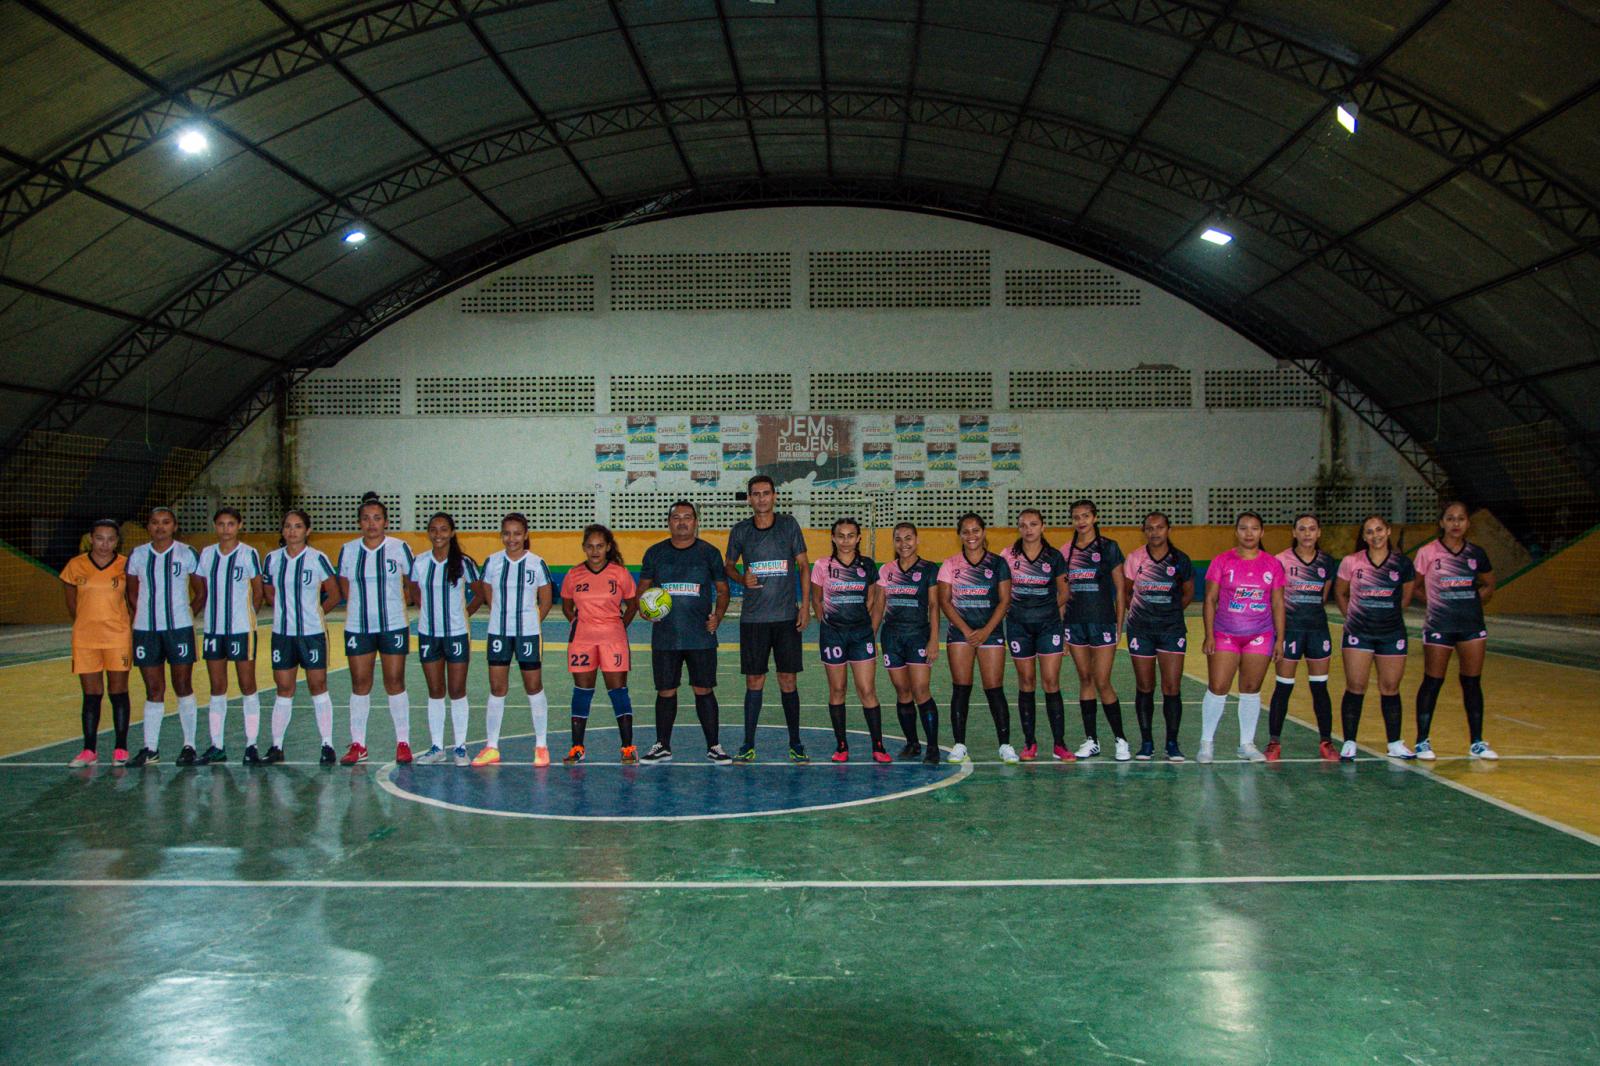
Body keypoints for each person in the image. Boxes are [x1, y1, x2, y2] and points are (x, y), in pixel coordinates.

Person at [724, 475, 811, 763]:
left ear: (775, 496)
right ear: (749, 498)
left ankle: (796, 743)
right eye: (756, 494)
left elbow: (802, 566)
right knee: (754, 680)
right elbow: (728, 565)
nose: (761, 498)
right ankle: (748, 743)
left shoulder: (788, 526)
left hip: (786, 618)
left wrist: (804, 605)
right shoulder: (740, 531)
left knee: (788, 680)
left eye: (766, 493)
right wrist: (740, 577)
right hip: (753, 620)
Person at [637, 501, 731, 764]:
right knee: (666, 691)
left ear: (695, 521)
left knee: (704, 689)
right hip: (666, 637)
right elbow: (642, 590)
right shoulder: (655, 553)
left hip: (700, 636)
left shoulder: (709, 553)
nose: (681, 522)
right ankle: (662, 745)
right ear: (669, 522)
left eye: (687, 517)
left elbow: (723, 591)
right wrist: (644, 609)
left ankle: (714, 745)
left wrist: (718, 617)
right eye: (676, 517)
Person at [1412, 502, 1498, 760]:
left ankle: (1477, 742)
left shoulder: (1476, 553)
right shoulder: (1428, 553)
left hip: (1471, 625)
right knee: (1433, 681)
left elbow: (1489, 584)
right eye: (1450, 518)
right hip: (1440, 624)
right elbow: (1414, 587)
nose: (1456, 523)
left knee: (1471, 682)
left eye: (1461, 518)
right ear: (1442, 523)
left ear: (1467, 523)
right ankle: (1422, 741)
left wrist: (1473, 601)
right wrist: (1435, 602)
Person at [1199, 512, 1286, 764]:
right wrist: (1209, 634)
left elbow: (1278, 602)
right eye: (1244, 528)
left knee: (1250, 689)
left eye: (1254, 528)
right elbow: (1210, 599)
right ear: (1235, 531)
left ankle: (1246, 744)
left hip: (1260, 635)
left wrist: (1280, 639)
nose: (1249, 533)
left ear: (1262, 532)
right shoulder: (1222, 561)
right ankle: (1206, 743)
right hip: (1225, 633)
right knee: (1218, 687)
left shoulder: (1272, 564)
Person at [336, 494, 415, 766]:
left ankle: (403, 742)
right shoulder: (348, 550)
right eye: (366, 519)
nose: (371, 524)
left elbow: (412, 582)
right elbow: (345, 586)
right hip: (358, 627)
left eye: (377, 518)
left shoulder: (399, 548)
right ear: (359, 522)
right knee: (360, 684)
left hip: (393, 624)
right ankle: (359, 744)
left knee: (395, 682)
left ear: (386, 522)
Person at [124, 507, 203, 767]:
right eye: (155, 522)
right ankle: (151, 748)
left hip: (179, 629)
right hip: (146, 631)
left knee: (183, 686)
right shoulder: (138, 555)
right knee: (153, 689)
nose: (160, 527)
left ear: (174, 526)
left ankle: (189, 745)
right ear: (148, 527)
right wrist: (146, 615)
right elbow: (132, 594)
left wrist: (186, 613)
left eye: (166, 522)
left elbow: (200, 591)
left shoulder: (187, 553)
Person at [259, 510, 340, 764]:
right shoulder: (272, 559)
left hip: (312, 635)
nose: (292, 531)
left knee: (318, 686)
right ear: (282, 531)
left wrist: (315, 616)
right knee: (284, 688)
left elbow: (335, 594)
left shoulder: (317, 559)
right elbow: (268, 591)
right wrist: (284, 612)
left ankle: (327, 744)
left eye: (297, 526)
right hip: (282, 635)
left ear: (307, 530)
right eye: (287, 526)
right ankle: (277, 746)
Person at [1335, 515, 1418, 762]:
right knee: (1355, 686)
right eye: (1369, 532)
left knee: (1390, 687)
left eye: (1379, 530)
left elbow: (1405, 598)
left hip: (1391, 633)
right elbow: (1340, 592)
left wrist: (1387, 616)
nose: (1375, 535)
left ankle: (1394, 742)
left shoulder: (1402, 564)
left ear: (1388, 531)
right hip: (1359, 632)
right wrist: (1352, 616)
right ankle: (1349, 741)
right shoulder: (1352, 562)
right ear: (1364, 537)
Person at [476, 513, 555, 767]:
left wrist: (532, 622)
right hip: (498, 632)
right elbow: (487, 592)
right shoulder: (492, 562)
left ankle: (541, 745)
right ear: (502, 535)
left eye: (517, 533)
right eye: (507, 533)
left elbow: (546, 599)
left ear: (526, 534)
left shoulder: (536, 563)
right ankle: (491, 746)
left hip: (528, 633)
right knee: (497, 689)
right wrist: (502, 616)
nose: (512, 539)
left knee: (533, 686)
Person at [937, 513, 1015, 764]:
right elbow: (944, 602)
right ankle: (959, 744)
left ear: (983, 532)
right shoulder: (951, 563)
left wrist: (985, 631)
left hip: (990, 632)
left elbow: (1004, 601)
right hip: (961, 633)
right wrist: (968, 630)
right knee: (961, 688)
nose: (971, 536)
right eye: (966, 531)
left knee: (994, 688)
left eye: (975, 530)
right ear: (959, 535)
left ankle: (1005, 744)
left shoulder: (998, 563)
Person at [560, 524, 639, 764]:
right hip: (582, 640)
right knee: (582, 692)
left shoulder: (620, 574)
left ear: (608, 548)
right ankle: (577, 748)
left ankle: (627, 748)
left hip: (613, 639)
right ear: (584, 548)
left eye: (600, 546)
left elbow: (633, 604)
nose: (595, 551)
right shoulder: (574, 575)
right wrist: (579, 623)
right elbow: (566, 605)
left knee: (618, 692)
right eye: (590, 546)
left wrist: (618, 626)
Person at [812, 518, 888, 762]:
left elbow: (876, 600)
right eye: (841, 535)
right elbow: (816, 599)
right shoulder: (822, 565)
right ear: (833, 538)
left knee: (867, 690)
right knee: (837, 689)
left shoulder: (867, 565)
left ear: (858, 538)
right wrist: (827, 623)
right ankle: (841, 746)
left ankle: (878, 745)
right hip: (833, 635)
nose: (846, 540)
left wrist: (871, 629)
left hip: (861, 635)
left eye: (850, 535)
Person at [409, 512, 481, 766]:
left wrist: (463, 615)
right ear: (429, 533)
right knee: (435, 691)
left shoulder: (464, 563)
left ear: (451, 532)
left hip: (457, 634)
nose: (438, 534)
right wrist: (425, 609)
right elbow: (413, 589)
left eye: (443, 529)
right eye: (433, 529)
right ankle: (437, 747)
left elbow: (481, 593)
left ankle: (460, 747)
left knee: (457, 690)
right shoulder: (419, 562)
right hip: (429, 634)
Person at [1122, 512, 1195, 761]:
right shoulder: (1135, 558)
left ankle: (1172, 743)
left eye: (1159, 527)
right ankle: (1146, 742)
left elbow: (1187, 594)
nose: (1155, 532)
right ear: (1144, 531)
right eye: (1150, 528)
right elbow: (1126, 592)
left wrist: (1169, 613)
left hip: (1171, 630)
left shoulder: (1180, 560)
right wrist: (1142, 612)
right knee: (1145, 686)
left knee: (1171, 687)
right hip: (1140, 630)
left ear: (1168, 530)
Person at [61, 519, 133, 766]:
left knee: (118, 691)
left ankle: (121, 748)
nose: (105, 544)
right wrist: (85, 622)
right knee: (91, 694)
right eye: (100, 538)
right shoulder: (75, 565)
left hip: (117, 637)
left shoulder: (125, 565)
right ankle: (89, 750)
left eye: (111, 539)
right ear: (91, 538)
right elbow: (72, 602)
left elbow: (133, 599)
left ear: (117, 541)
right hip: (86, 638)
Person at [1000, 508, 1070, 761]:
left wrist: (1048, 613)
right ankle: (1030, 743)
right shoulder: (1008, 556)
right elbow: (1002, 592)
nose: (1028, 529)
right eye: (1023, 525)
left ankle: (1059, 744)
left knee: (1051, 681)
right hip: (1019, 627)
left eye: (1033, 524)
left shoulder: (1054, 556)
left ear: (1043, 526)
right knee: (1026, 681)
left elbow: (1064, 593)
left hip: (1048, 626)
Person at [195, 507, 263, 765]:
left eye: (230, 524)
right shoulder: (207, 554)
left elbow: (258, 591)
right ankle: (217, 745)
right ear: (215, 526)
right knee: (217, 687)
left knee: (247, 686)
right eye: (221, 524)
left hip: (241, 629)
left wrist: (248, 618)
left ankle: (251, 745)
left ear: (239, 526)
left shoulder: (249, 554)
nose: (226, 529)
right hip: (214, 630)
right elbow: (201, 588)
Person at [1269, 514, 1339, 761]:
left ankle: (1326, 741)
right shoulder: (1281, 561)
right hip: (1290, 631)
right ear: (1294, 532)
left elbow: (1323, 597)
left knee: (1320, 687)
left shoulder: (1327, 562)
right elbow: (1275, 598)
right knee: (1283, 687)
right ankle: (1274, 742)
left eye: (1312, 529)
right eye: (1302, 529)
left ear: (1319, 532)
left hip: (1317, 631)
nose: (1307, 533)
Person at [1064, 500, 1129, 760]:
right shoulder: (1066, 551)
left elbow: (1121, 590)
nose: (1081, 521)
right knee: (1086, 680)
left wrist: (1119, 626)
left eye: (1085, 516)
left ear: (1095, 517)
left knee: (1103, 680)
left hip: (1102, 622)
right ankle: (1092, 740)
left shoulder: (1108, 548)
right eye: (1076, 517)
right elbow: (1062, 592)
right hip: (1075, 624)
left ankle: (1120, 739)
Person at [876, 522, 942, 765]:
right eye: (898, 539)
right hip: (891, 638)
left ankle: (932, 746)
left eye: (908, 538)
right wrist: (871, 637)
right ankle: (912, 743)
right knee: (903, 692)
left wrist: (934, 639)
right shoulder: (886, 570)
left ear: (917, 540)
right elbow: (878, 606)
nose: (904, 544)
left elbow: (934, 606)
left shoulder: (928, 569)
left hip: (918, 636)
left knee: (921, 690)